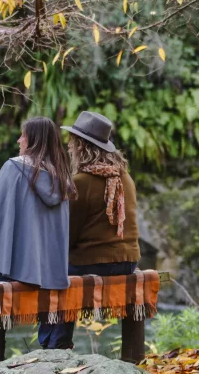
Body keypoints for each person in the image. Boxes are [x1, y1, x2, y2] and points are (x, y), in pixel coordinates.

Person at [0, 117, 76, 362]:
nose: (18, 140)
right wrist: (0, 192)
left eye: (22, 135)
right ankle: (52, 348)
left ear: (33, 140)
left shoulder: (14, 167)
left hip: (16, 272)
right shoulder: (62, 176)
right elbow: (35, 211)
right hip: (49, 273)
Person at [37, 111, 141, 350]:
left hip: (96, 262)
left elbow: (66, 237)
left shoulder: (82, 182)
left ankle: (54, 345)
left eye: (73, 142)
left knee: (51, 273)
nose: (69, 147)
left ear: (82, 146)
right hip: (128, 261)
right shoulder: (125, 178)